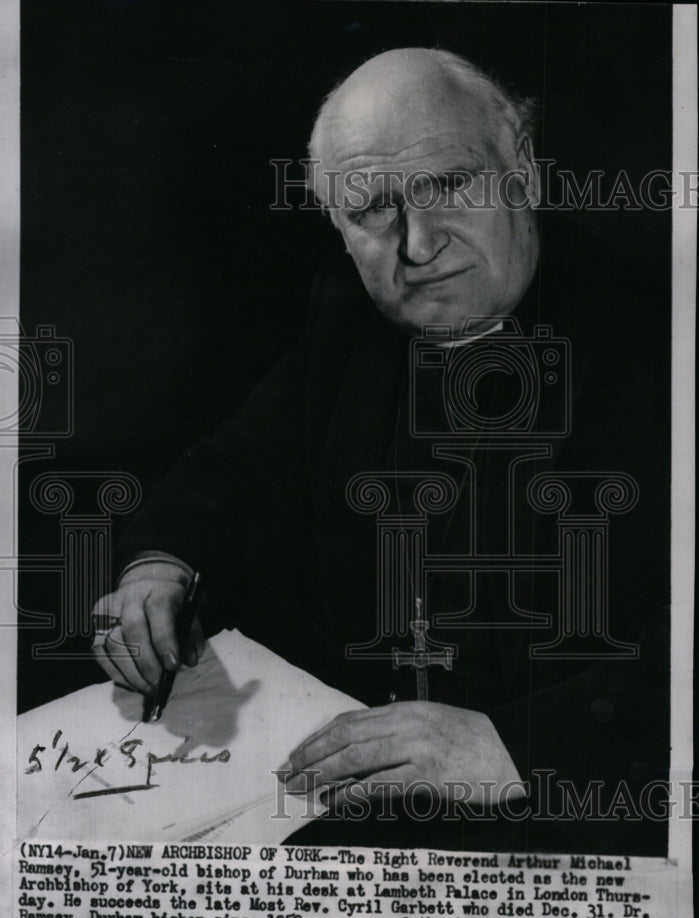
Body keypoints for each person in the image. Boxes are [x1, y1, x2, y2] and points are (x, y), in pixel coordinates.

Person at [92, 49, 670, 854]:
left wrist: (519, 745)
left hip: (593, 810)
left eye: (448, 185)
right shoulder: (348, 315)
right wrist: (158, 562)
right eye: (372, 209)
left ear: (524, 170)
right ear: (336, 223)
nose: (419, 244)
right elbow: (241, 462)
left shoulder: (664, 338)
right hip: (358, 790)